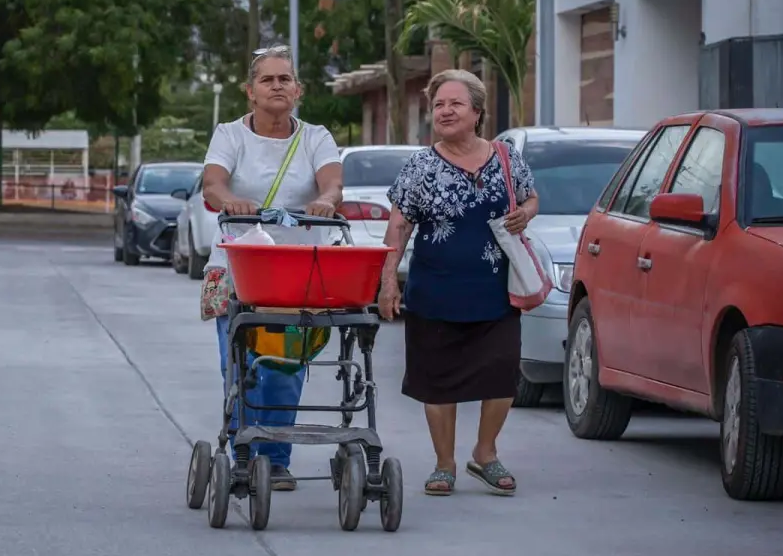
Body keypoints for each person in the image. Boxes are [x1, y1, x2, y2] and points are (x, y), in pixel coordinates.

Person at [376, 69, 539, 497]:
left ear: (478, 112)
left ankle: (485, 453)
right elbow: (398, 227)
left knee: (502, 376)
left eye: (455, 104)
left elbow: (530, 196)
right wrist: (388, 281)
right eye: (439, 105)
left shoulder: (505, 156)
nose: (445, 112)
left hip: (496, 291)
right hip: (435, 292)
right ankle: (444, 463)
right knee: (438, 379)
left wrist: (528, 211)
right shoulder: (420, 165)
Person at [198, 45, 344, 491]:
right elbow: (213, 183)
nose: (277, 86)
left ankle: (276, 458)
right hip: (239, 267)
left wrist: (324, 201)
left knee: (283, 367)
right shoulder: (230, 134)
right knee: (240, 365)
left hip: (294, 274)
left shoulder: (316, 137)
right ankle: (242, 451)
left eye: (285, 79)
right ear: (250, 91)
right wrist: (231, 201)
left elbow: (333, 182)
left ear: (298, 90)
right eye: (268, 79)